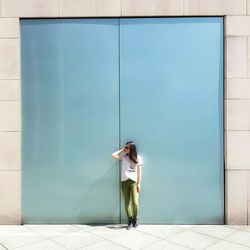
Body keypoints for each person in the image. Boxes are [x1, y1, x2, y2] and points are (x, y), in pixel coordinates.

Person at [112, 141, 143, 230]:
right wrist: (122, 149)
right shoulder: (124, 157)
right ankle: (130, 221)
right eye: (125, 147)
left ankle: (135, 219)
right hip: (124, 182)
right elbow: (113, 155)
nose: (125, 149)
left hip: (133, 182)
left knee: (135, 203)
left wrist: (139, 183)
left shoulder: (138, 158)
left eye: (127, 147)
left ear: (132, 148)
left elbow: (139, 172)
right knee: (127, 202)